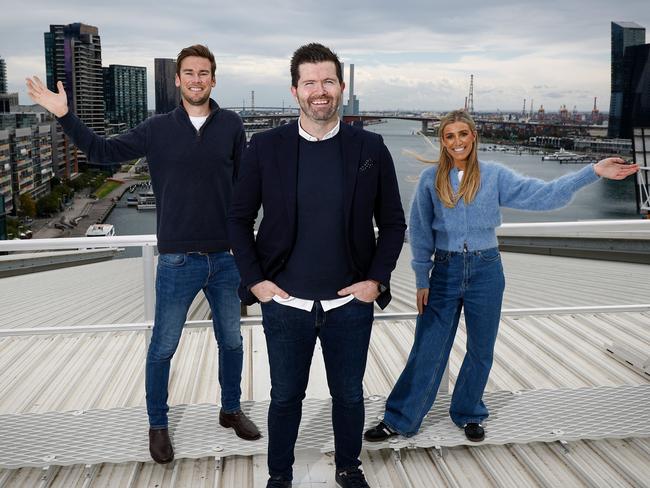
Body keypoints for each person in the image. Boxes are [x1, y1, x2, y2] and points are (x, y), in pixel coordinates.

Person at [26, 44, 261, 465]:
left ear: (214, 78)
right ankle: (157, 424)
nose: (196, 79)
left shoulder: (231, 126)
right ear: (177, 79)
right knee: (162, 348)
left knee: (231, 341)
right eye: (188, 72)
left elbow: (246, 191)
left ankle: (230, 409)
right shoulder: (156, 128)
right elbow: (100, 152)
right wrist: (63, 114)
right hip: (177, 260)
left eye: (203, 73)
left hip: (226, 259)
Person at [364, 110, 639, 444]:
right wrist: (422, 277)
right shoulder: (430, 180)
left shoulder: (494, 176)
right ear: (443, 142)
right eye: (450, 136)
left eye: (463, 134)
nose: (457, 142)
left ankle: (468, 413)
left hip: (486, 270)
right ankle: (400, 419)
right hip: (445, 272)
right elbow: (420, 233)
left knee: (481, 348)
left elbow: (545, 195)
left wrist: (592, 172)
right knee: (429, 347)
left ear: (473, 136)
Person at [228, 43, 406, 488]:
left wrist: (375, 281)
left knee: (348, 395)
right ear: (295, 91)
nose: (319, 91)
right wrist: (257, 282)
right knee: (285, 396)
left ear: (341, 88)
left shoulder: (370, 147)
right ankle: (279, 475)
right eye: (310, 82)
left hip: (350, 304)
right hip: (286, 303)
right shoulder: (266, 147)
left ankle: (349, 467)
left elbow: (393, 223)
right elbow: (237, 218)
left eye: (328, 81)